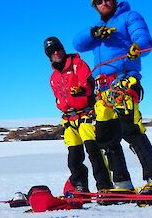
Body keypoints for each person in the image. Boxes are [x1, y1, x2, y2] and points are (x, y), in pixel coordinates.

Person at [73, 0, 152, 204]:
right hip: (103, 89)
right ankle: (122, 184)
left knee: (131, 129)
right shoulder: (97, 31)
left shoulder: (129, 17)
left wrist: (138, 47)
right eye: (98, 1)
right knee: (106, 137)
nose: (104, 3)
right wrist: (94, 32)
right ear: (95, 6)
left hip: (123, 81)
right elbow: (77, 43)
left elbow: (144, 39)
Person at [44, 36, 113, 195]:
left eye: (58, 49)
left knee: (94, 152)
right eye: (52, 51)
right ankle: (80, 188)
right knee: (74, 159)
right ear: (49, 55)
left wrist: (82, 91)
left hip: (85, 116)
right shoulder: (53, 78)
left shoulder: (77, 64)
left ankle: (105, 187)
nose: (57, 52)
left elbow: (88, 84)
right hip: (68, 120)